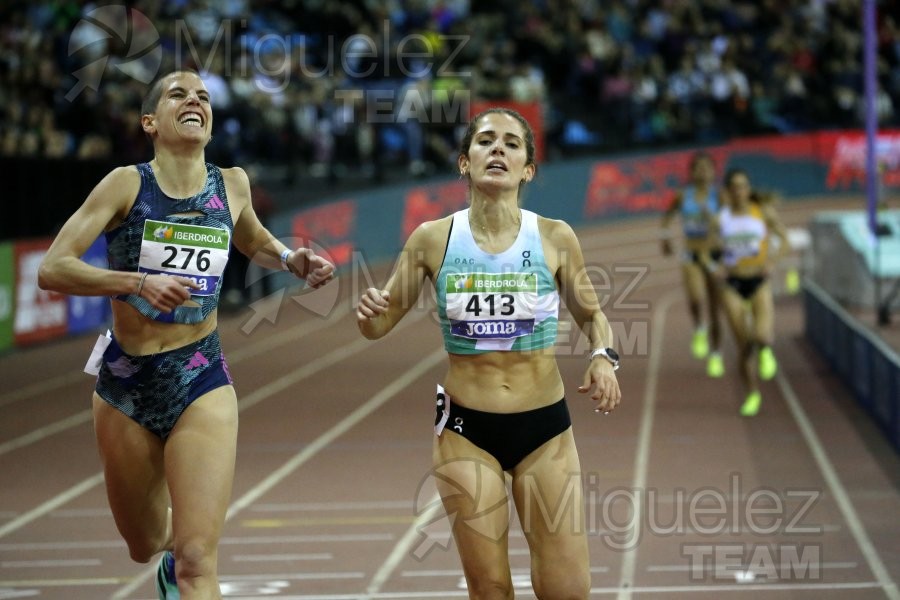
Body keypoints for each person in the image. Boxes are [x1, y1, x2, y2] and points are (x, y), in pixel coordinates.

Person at [37, 70, 335, 599]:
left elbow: (251, 237)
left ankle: (191, 554)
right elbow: (53, 268)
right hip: (126, 384)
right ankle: (172, 556)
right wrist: (137, 282)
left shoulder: (232, 183)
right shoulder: (126, 184)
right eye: (178, 95)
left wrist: (290, 258)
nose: (194, 101)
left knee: (199, 558)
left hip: (201, 376)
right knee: (145, 540)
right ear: (151, 121)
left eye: (202, 96)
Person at [356, 108, 621, 599]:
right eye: (485, 141)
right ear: (464, 161)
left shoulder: (555, 237)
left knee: (568, 590)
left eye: (511, 144)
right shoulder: (433, 239)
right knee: (491, 589)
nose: (497, 149)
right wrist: (369, 310)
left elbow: (593, 316)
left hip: (544, 430)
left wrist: (604, 356)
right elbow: (379, 324)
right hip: (466, 433)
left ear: (528, 170)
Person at [708, 168, 789, 417]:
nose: (739, 191)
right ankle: (752, 393)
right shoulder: (720, 219)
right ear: (728, 192)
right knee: (744, 345)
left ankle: (765, 351)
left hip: (758, 281)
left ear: (748, 189)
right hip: (732, 284)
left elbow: (784, 240)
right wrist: (715, 268)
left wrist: (772, 262)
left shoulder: (762, 212)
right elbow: (707, 251)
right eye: (734, 187)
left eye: (743, 186)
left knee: (763, 336)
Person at [660, 151, 725, 378]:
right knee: (696, 298)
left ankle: (716, 353)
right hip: (692, 255)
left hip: (715, 255)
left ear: (714, 171)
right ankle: (699, 327)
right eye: (698, 168)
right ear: (691, 172)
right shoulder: (682, 196)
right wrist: (665, 237)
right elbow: (667, 217)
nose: (703, 172)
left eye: (707, 168)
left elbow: (730, 224)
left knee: (716, 310)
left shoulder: (720, 196)